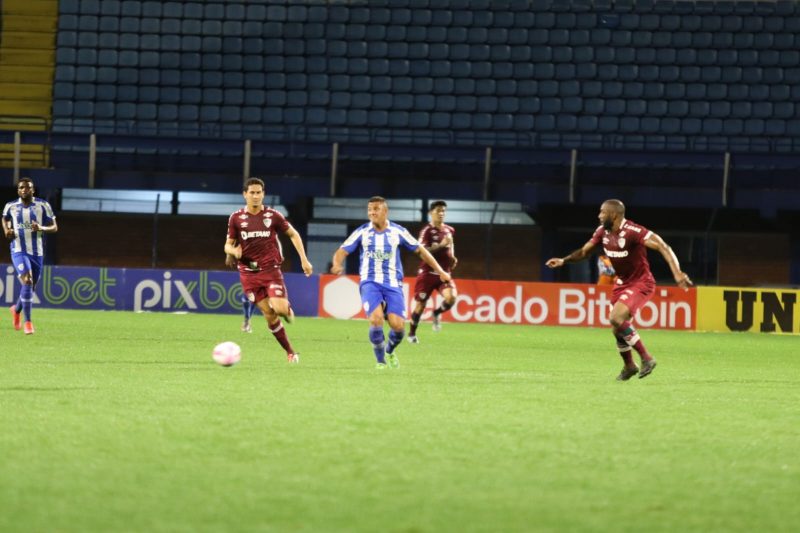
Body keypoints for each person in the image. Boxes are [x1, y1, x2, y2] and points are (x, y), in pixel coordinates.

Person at [545, 199, 692, 381]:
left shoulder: (633, 231)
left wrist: (677, 274)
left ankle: (647, 358)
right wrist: (564, 260)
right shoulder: (602, 232)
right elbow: (584, 252)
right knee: (617, 329)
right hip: (621, 284)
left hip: (641, 283)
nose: (599, 216)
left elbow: (663, 246)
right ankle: (629, 366)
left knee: (616, 318)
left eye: (602, 212)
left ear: (613, 215)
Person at [330, 196, 451, 369]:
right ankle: (380, 362)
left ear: (385, 211)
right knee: (376, 319)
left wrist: (440, 271)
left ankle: (389, 351)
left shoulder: (398, 231)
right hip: (369, 282)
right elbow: (342, 251)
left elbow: (421, 251)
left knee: (398, 327)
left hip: (393, 284)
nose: (372, 212)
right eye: (370, 209)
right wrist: (336, 263)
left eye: (376, 209)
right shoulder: (362, 231)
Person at [224, 178, 313, 363]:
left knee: (279, 310)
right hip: (248, 274)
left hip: (270, 270)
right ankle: (290, 352)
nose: (255, 196)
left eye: (259, 192)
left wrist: (304, 259)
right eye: (252, 192)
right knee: (269, 316)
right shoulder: (236, 218)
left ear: (263, 194)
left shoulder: (273, 216)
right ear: (245, 194)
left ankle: (286, 309)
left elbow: (293, 234)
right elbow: (227, 245)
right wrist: (233, 251)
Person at [3, 177, 58, 335]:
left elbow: (54, 227)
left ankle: (16, 310)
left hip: (37, 252)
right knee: (27, 280)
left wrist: (41, 227)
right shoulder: (11, 206)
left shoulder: (43, 205)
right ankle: (28, 322)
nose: (24, 190)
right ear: (18, 190)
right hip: (18, 249)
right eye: (21, 188)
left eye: (27, 188)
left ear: (33, 190)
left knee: (30, 287)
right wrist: (7, 230)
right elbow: (5, 218)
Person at [408, 200, 458, 343]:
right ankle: (411, 334)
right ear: (431, 213)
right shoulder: (427, 231)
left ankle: (436, 313)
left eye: (443, 211)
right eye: (438, 211)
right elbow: (421, 252)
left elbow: (451, 244)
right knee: (421, 305)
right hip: (427, 274)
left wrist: (453, 257)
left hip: (444, 273)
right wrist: (441, 245)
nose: (441, 213)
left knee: (451, 297)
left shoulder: (449, 230)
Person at [225, 253, 256, 333]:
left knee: (253, 297)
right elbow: (230, 243)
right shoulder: (239, 242)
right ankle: (247, 320)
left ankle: (247, 320)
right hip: (244, 263)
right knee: (247, 298)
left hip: (254, 262)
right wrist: (229, 255)